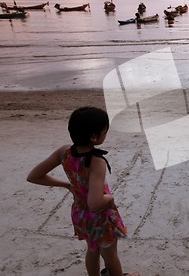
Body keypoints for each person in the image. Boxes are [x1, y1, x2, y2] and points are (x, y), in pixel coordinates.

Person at [27, 107, 139, 276]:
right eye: (105, 132)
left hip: (80, 214)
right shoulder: (96, 162)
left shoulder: (64, 152)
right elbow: (95, 204)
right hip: (99, 216)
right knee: (110, 255)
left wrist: (67, 185)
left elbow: (34, 176)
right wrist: (109, 198)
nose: (105, 134)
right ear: (94, 137)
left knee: (92, 250)